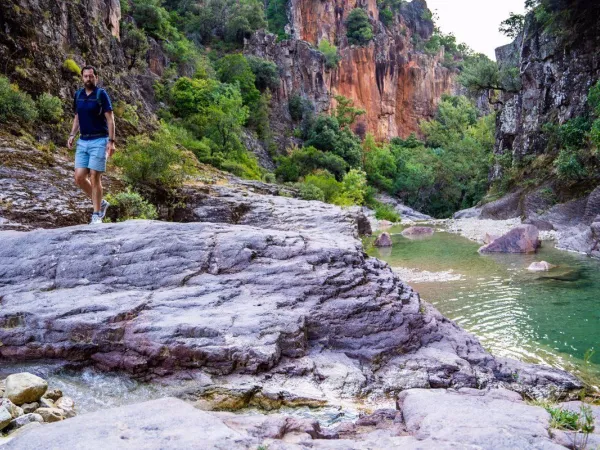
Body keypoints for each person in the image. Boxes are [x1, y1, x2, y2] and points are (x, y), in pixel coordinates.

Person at [67, 65, 116, 224]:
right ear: (82, 78)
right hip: (83, 141)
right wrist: (72, 134)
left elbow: (110, 119)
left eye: (91, 76)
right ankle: (101, 203)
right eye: (86, 76)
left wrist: (111, 141)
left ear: (96, 77)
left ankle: (96, 215)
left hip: (99, 140)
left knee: (95, 176)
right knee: (79, 178)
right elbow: (77, 117)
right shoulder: (78, 95)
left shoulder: (101, 95)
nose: (88, 79)